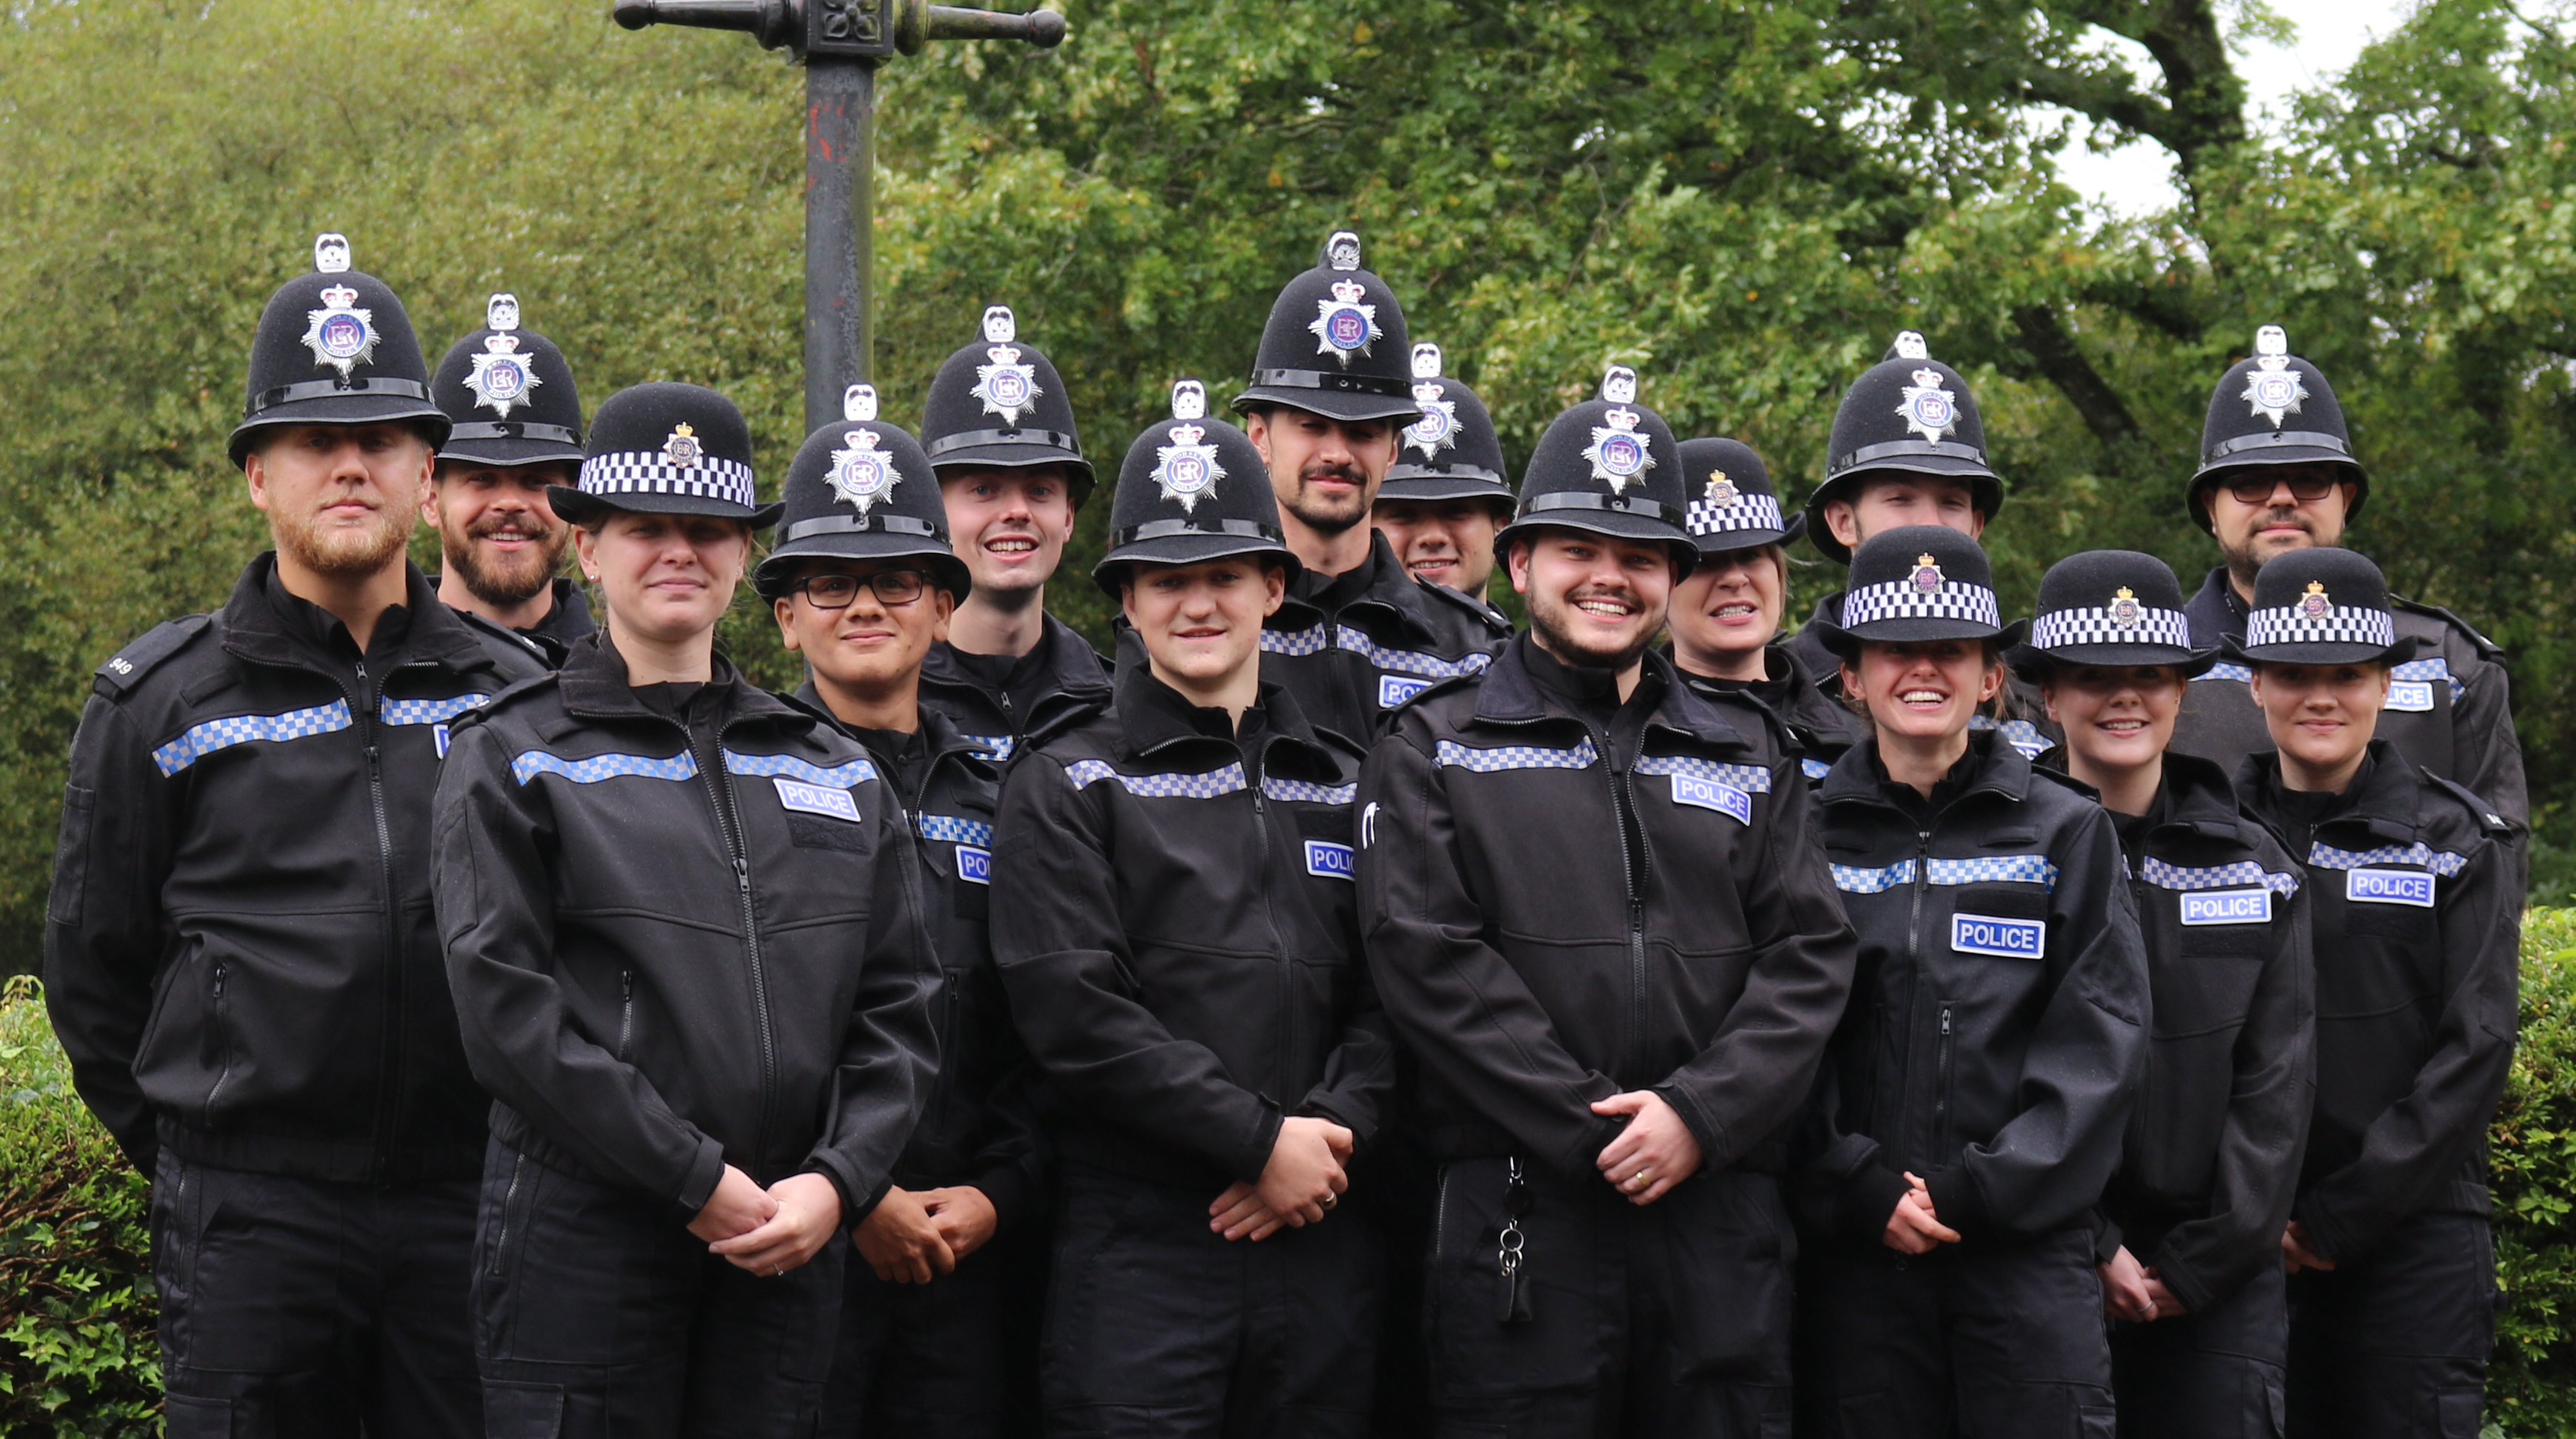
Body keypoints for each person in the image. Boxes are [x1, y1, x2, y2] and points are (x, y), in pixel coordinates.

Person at [43, 234, 544, 1437]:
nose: (351, 469)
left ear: (431, 475)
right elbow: (93, 974)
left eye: (380, 442)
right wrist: (202, 1165)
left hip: (467, 1202)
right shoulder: (159, 703)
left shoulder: (518, 699)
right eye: (317, 442)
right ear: (257, 475)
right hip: (249, 1224)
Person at [431, 382, 937, 1435]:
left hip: (787, 1242)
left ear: (745, 554)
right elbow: (506, 1014)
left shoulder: (831, 766)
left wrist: (838, 1184)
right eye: (646, 528)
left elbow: (900, 1006)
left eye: (707, 529)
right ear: (590, 550)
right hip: (585, 1241)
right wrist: (693, 1177)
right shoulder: (512, 751)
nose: (679, 552)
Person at [1360, 366, 1856, 1438]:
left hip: (1717, 1208)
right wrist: (1594, 1127)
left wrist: (1700, 1114)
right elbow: (1426, 958)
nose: (1608, 578)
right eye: (1579, 549)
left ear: (1671, 577)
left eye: (1638, 557)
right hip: (1520, 1205)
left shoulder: (1750, 744)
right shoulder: (1435, 744)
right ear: (1523, 559)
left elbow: (1810, 954)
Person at [992, 379, 1393, 1438]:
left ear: (1273, 586)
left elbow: (1404, 985)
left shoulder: (1350, 778)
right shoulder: (1067, 780)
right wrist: (1257, 1139)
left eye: (1224, 574)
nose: (1197, 602)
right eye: (1167, 579)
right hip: (1143, 1250)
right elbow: (1076, 1014)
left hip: (1325, 1229)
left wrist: (1329, 1136)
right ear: (1125, 599)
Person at [1792, 527, 2148, 1438]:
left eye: (1949, 652)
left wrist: (1975, 1192)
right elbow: (1774, 1029)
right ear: (1851, 678)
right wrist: (1854, 1185)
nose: (1922, 672)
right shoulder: (1800, 835)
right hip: (1855, 1256)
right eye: (1895, 653)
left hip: (2021, 1260)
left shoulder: (2067, 833)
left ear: (1991, 677)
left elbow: (2100, 1043)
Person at [757, 384, 1042, 1439]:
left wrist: (1003, 1189)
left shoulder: (1009, 795)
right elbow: (736, 1024)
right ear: (785, 617)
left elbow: (1049, 1018)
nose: (865, 607)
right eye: (830, 585)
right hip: (802, 1238)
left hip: (973, 1247)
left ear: (940, 605)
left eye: (895, 582)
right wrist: (850, 1187)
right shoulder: (735, 784)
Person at [2015, 550, 2314, 1438]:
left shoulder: (2256, 866)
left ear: (2182, 692)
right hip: (2046, 1262)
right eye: (2094, 676)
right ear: (2047, 695)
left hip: (2219, 1281)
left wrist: (2200, 1264)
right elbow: (1988, 1067)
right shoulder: (2000, 855)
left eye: (2150, 675)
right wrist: (2095, 1244)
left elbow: (2277, 1086)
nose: (2125, 698)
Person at [2236, 546, 2520, 1439]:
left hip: (2412, 1242)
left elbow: (2474, 1044)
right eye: (2292, 673)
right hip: (2234, 1248)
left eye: (2346, 674)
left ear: (2383, 685)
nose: (2319, 696)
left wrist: (2332, 1218)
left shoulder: (2454, 842)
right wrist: (2244, 1219)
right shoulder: (2207, 836)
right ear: (2253, 686)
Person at [2170, 323, 2527, 834]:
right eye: (2249, 483)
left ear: (2348, 500)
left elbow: (2497, 854)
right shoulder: (2156, 663)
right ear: (2210, 508)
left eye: (2311, 479)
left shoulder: (2447, 664)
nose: (2282, 498)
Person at [1235, 231, 1505, 738]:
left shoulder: (1471, 649)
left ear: (1393, 451)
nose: (1337, 454)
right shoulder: (1210, 624)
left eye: (1363, 432)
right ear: (1259, 437)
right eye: (1311, 426)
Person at [1784, 334, 2051, 758]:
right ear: (1842, 522)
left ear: (1976, 526)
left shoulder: (2036, 701)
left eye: (1951, 503)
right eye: (1900, 499)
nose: (1929, 523)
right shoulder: (1778, 689)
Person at [917, 304, 1112, 755]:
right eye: (984, 489)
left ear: (1068, 517)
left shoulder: (1117, 705)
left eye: (1040, 490)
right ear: (935, 514)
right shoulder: (890, 703)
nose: (1017, 511)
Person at [1665, 435, 1859, 780]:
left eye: (1751, 555)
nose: (1735, 578)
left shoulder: (1860, 732)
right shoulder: (1631, 731)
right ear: (1659, 582)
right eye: (1706, 562)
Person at [424, 290, 595, 663]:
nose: (510, 503)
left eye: (536, 481)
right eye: (482, 478)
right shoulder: (379, 672)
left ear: (572, 501)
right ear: (430, 497)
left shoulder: (620, 681)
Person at [1371, 340, 1515, 607]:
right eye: (1403, 514)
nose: (1433, 537)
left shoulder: (1537, 651)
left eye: (1457, 511)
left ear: (1499, 531)